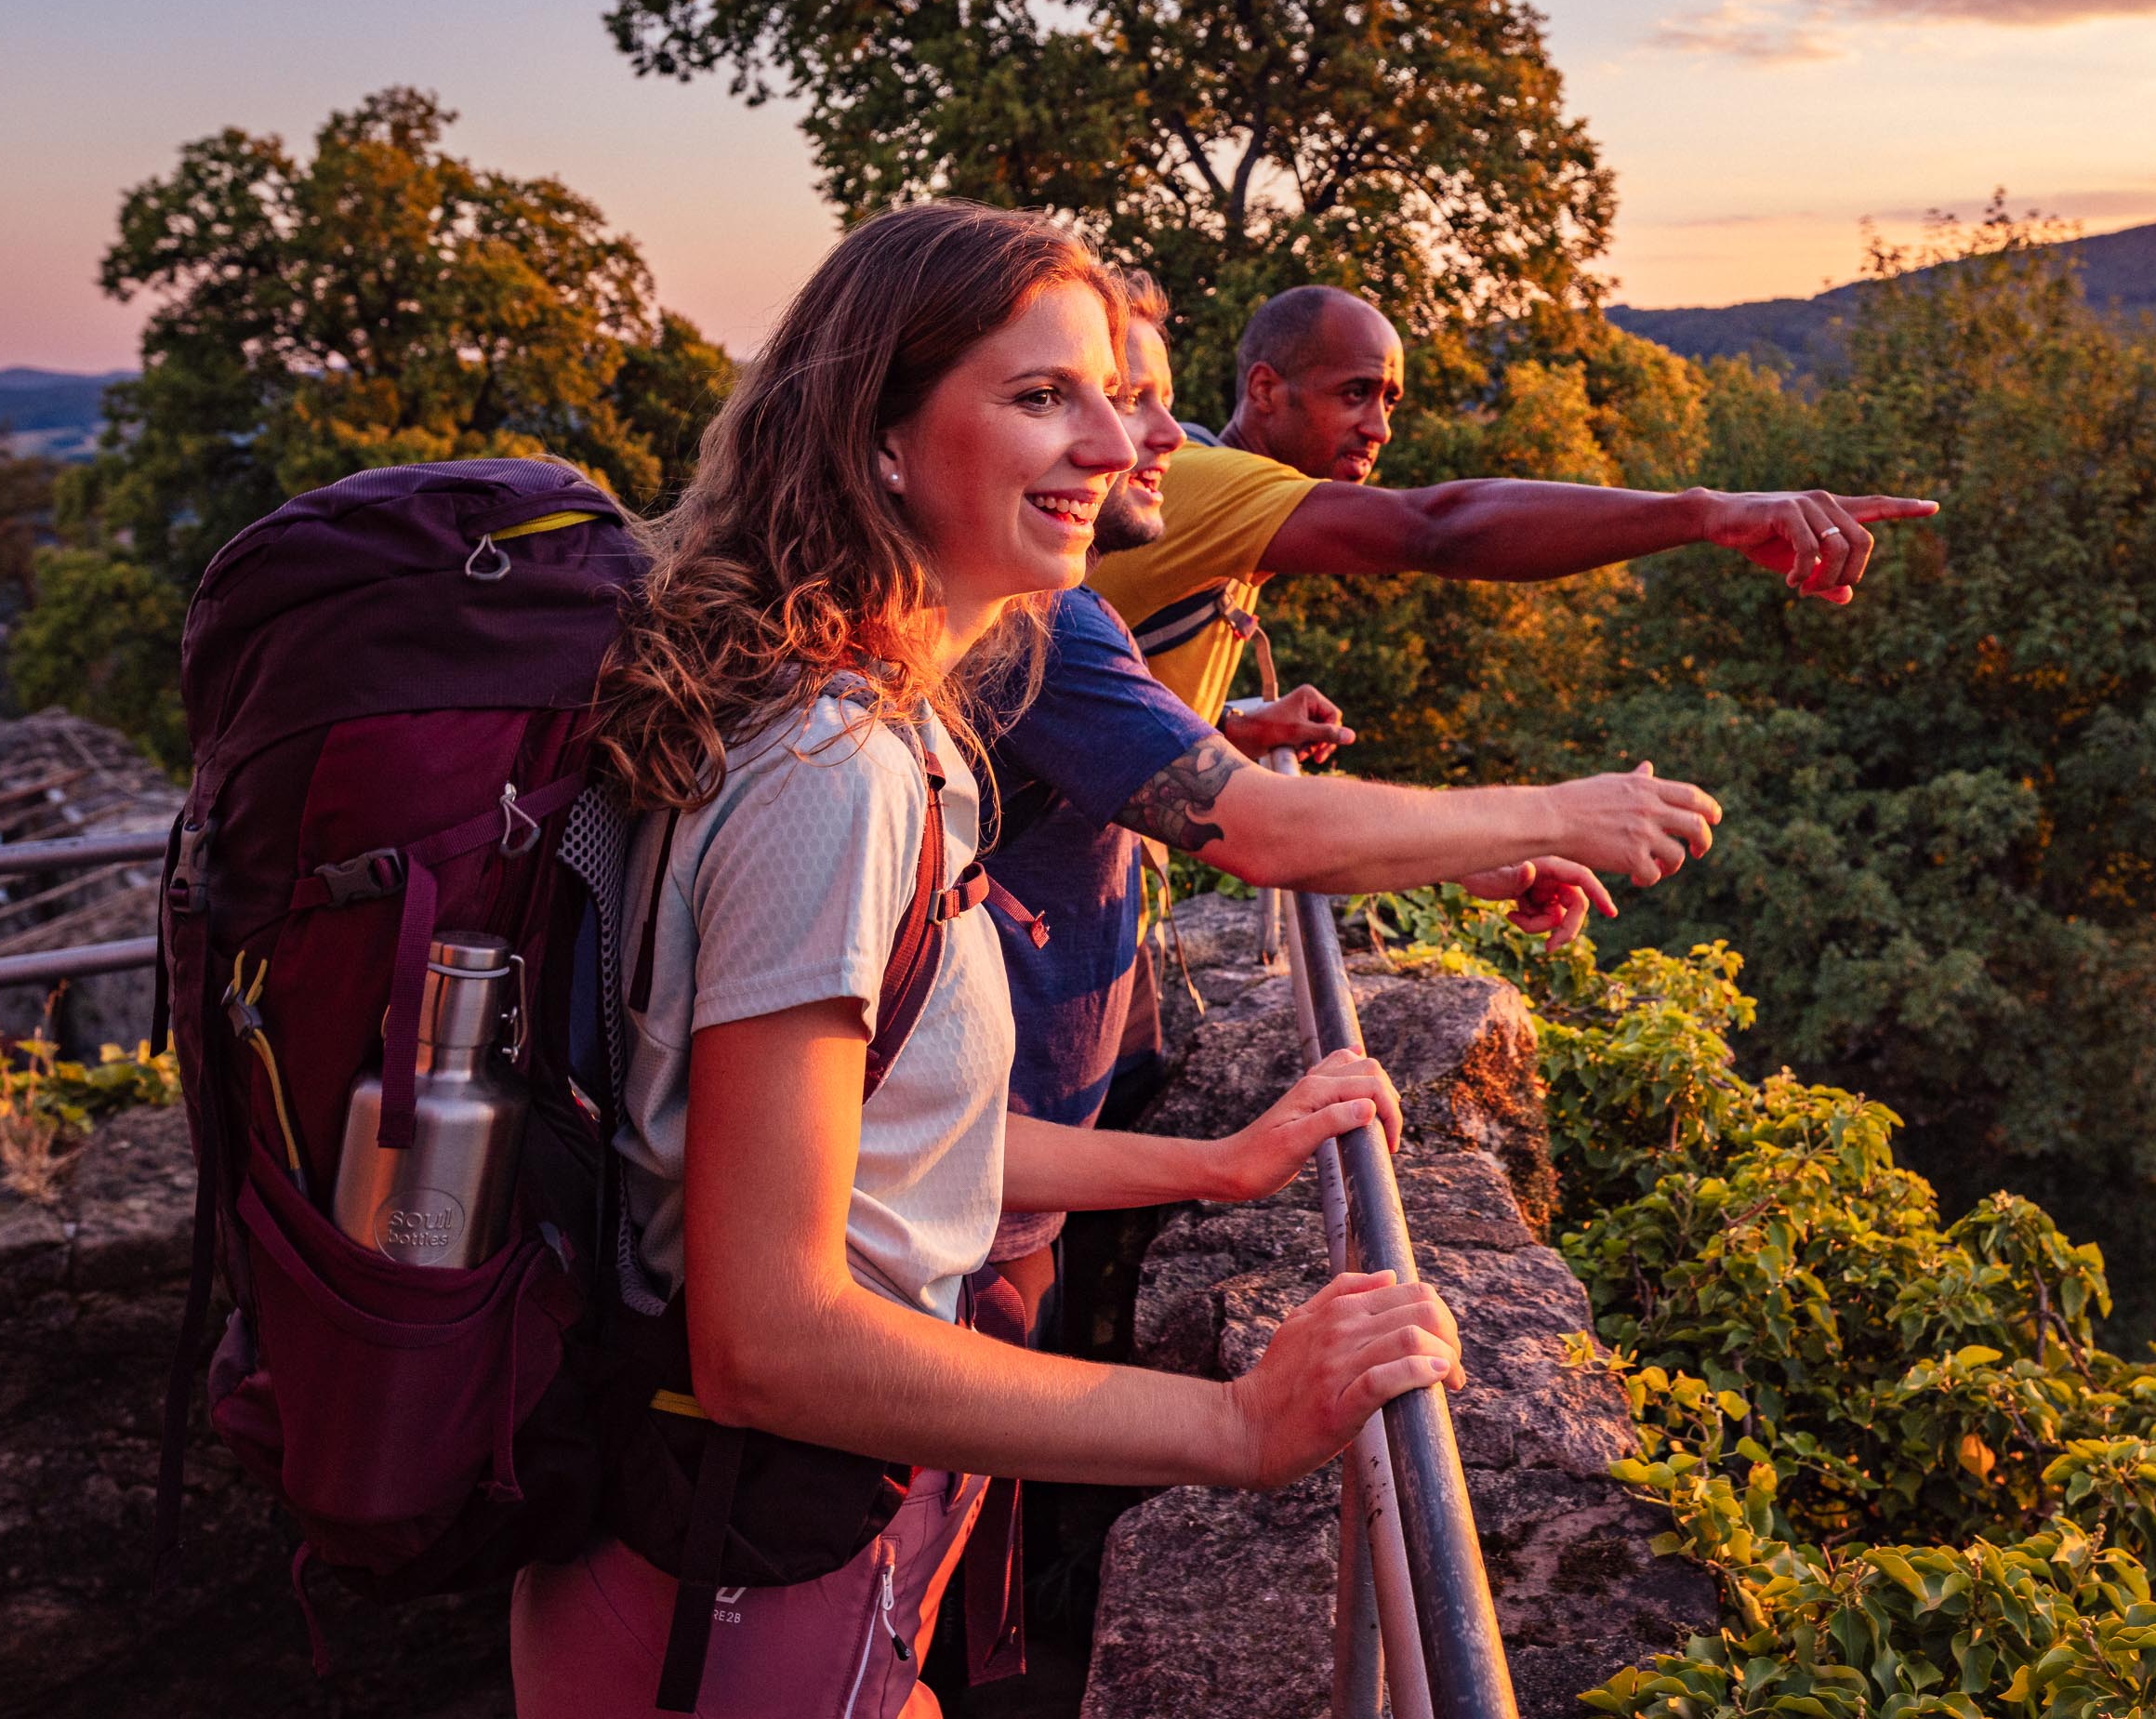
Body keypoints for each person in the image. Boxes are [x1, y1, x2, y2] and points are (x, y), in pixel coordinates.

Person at [515, 205, 1460, 1719]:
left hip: (754, 1535)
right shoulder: (831, 766)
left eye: (1111, 394)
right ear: (879, 439)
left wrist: (1223, 1170)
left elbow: (894, 1144)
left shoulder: (879, 718)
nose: (1115, 442)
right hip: (739, 1547)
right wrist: (1232, 1424)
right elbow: (767, 1339)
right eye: (1042, 397)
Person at [976, 274, 1725, 1330]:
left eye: (1138, 401)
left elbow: (1121, 751)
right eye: (1073, 399)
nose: (1136, 440)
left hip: (1027, 1077)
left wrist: (1232, 726)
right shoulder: (1050, 615)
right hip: (993, 1100)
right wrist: (1557, 811)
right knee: (956, 1431)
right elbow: (1263, 824)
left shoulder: (1049, 612)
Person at [1089, 283, 1943, 735]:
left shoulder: (1219, 514)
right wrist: (1705, 513)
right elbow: (1439, 527)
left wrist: (1237, 727)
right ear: (1265, 391)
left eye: (1390, 399)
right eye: (1355, 393)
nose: (1378, 426)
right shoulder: (1202, 484)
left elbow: (1102, 715)